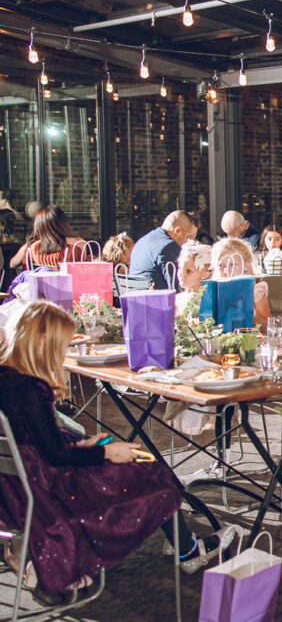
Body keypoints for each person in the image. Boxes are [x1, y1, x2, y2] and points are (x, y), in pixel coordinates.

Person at [0, 301, 235, 597]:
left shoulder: (6, 377)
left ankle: (181, 538)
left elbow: (32, 438)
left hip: (13, 487)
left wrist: (78, 442)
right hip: (48, 488)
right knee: (147, 468)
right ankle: (187, 549)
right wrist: (105, 453)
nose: (62, 356)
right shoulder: (32, 389)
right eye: (61, 347)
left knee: (137, 461)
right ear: (42, 341)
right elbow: (55, 456)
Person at [211, 238, 271, 329]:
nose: (225, 270)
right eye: (220, 265)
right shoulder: (213, 291)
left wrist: (251, 312)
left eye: (232, 265)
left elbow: (268, 326)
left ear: (245, 266)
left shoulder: (254, 291)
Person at [129, 210, 196, 290]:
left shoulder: (142, 241)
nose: (187, 241)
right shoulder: (168, 246)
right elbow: (178, 285)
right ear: (177, 231)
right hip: (155, 299)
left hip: (134, 298)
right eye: (187, 237)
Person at [11, 206, 89, 269]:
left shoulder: (31, 247)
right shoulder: (78, 244)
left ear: (38, 226)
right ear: (63, 223)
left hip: (39, 287)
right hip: (69, 287)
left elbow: (12, 264)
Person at [175, 241, 212, 314]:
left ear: (205, 274)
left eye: (188, 271)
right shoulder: (176, 299)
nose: (181, 274)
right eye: (180, 268)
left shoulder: (207, 302)